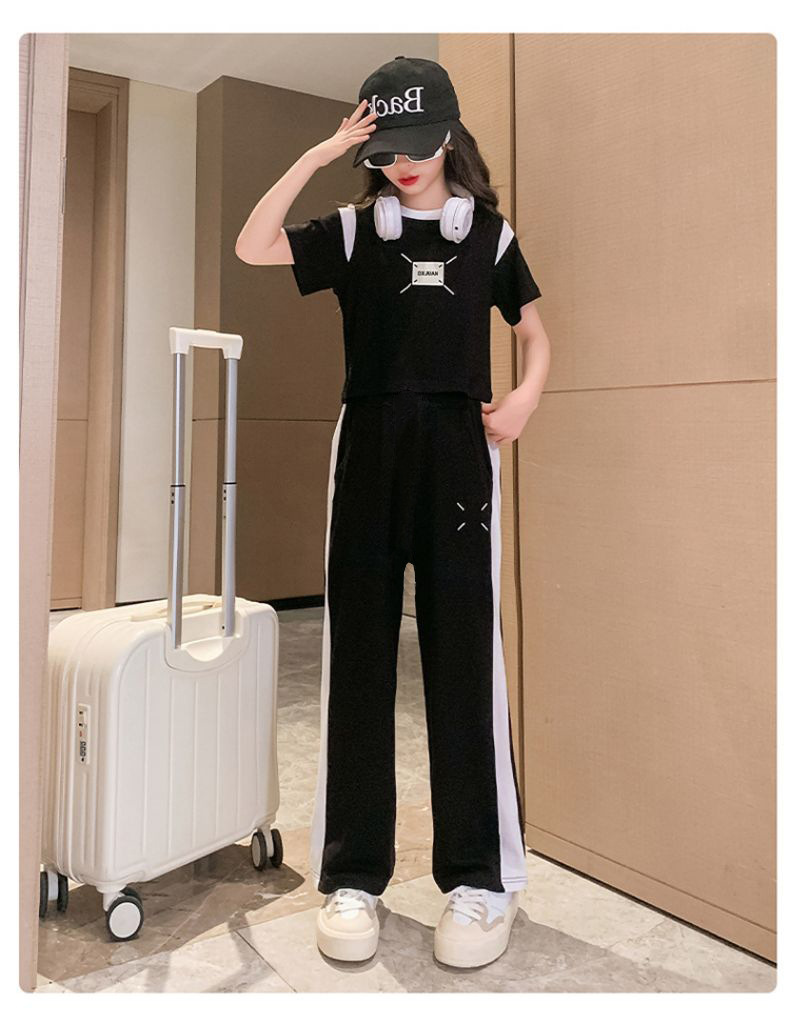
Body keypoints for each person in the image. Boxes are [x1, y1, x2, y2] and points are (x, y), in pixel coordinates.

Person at [236, 55, 551, 970]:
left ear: (449, 136)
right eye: (386, 150)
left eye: (417, 146)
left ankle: (480, 880)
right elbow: (255, 244)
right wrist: (321, 152)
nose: (403, 165)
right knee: (361, 660)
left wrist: (526, 397)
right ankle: (353, 875)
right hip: (368, 450)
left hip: (458, 456)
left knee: (464, 662)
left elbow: (534, 331)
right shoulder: (352, 231)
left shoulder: (486, 235)